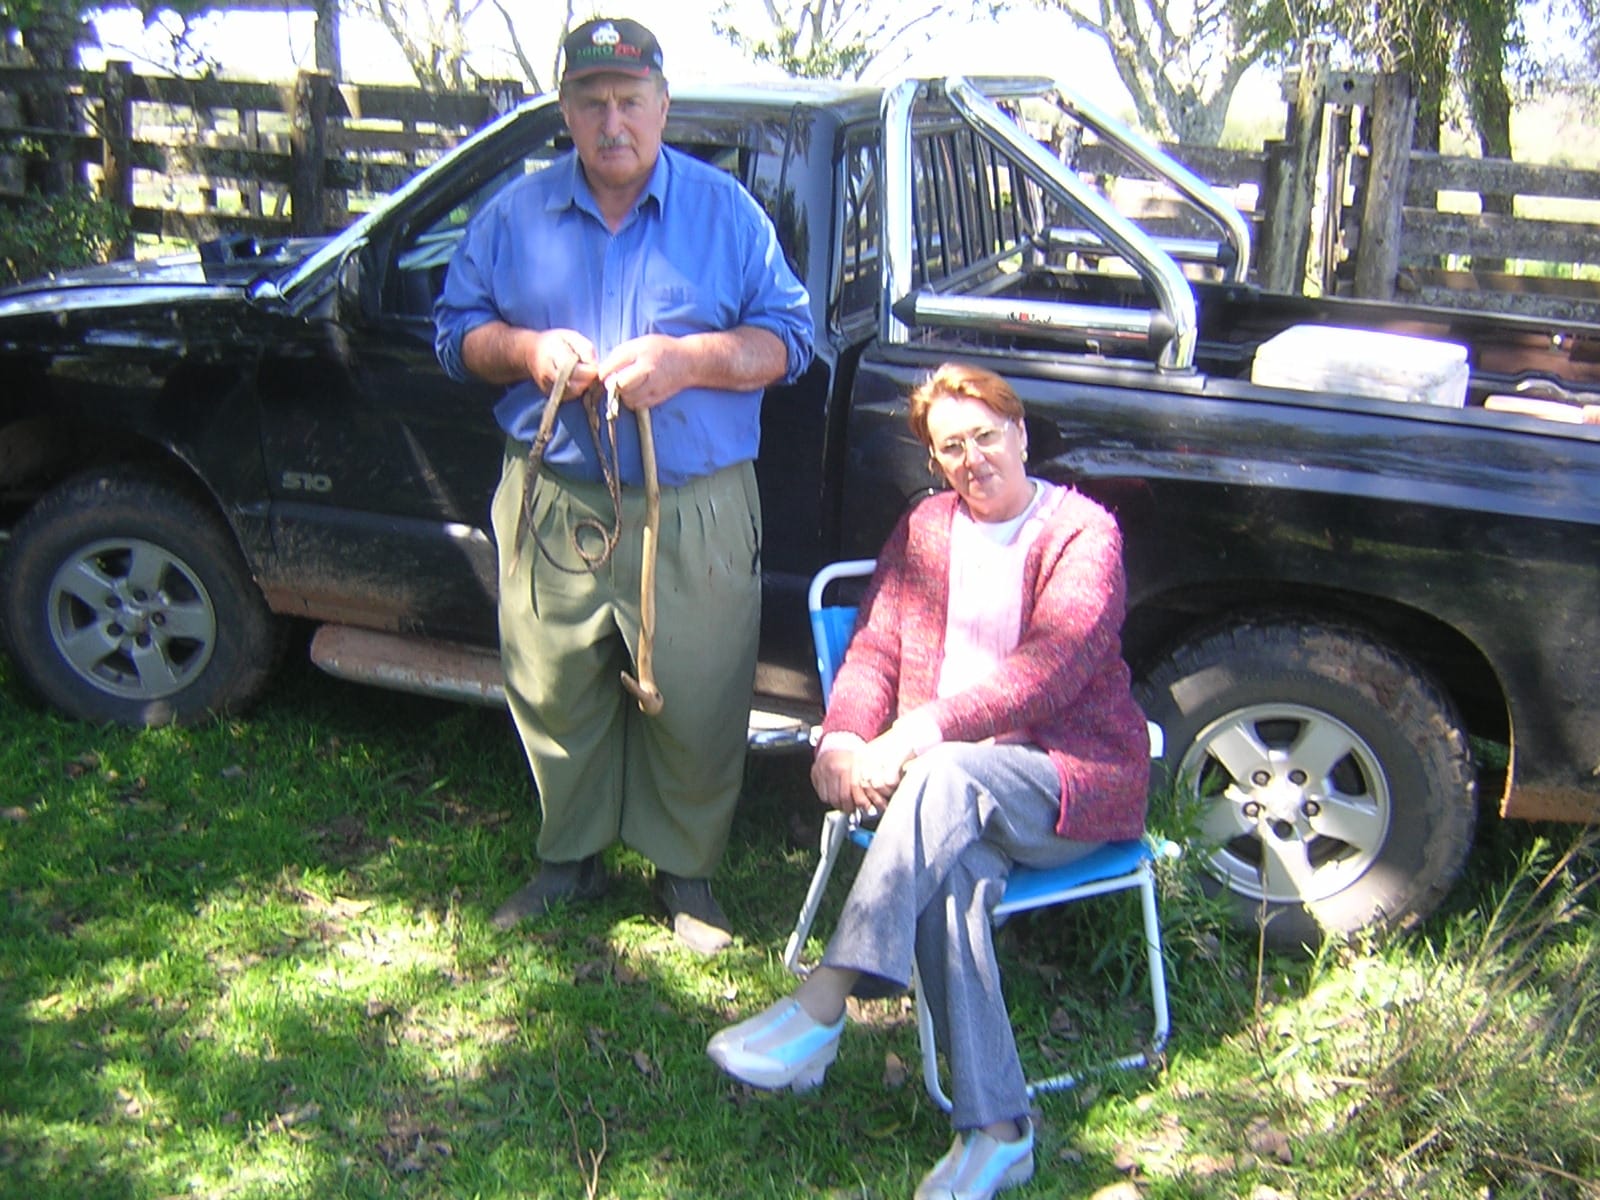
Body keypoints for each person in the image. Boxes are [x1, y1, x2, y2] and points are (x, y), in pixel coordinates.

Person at [706, 363, 1149, 1198]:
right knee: (952, 878)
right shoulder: (926, 528)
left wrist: (918, 732)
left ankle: (825, 1000)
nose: (973, 457)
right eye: (952, 446)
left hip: (1066, 789)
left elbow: (1050, 670)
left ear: (1021, 434)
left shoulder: (1083, 535)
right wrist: (843, 737)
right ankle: (998, 1133)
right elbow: (875, 646)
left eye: (986, 435)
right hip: (946, 808)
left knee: (943, 770)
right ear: (936, 461)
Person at [433, 17, 814, 955]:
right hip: (553, 499)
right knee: (553, 682)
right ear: (565, 111)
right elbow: (454, 334)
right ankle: (570, 857)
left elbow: (790, 340)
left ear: (663, 106)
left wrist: (689, 362)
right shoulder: (513, 216)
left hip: (696, 504)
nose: (613, 122)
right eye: (592, 102)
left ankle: (686, 872)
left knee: (698, 693)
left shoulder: (727, 214)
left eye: (630, 101)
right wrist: (525, 349)